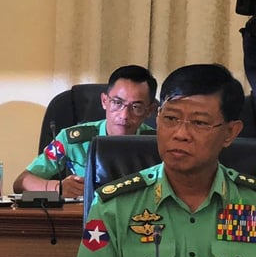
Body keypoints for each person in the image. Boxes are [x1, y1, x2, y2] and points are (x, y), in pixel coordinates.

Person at [67, 63, 256, 257]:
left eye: (199, 123)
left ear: (231, 132)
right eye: (171, 119)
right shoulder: (114, 207)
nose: (180, 134)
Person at [14, 64, 158, 199]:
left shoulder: (158, 143)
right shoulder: (72, 140)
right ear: (104, 101)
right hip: (81, 220)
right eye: (117, 103)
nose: (124, 115)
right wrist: (58, 187)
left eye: (136, 107)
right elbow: (22, 182)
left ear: (150, 111)